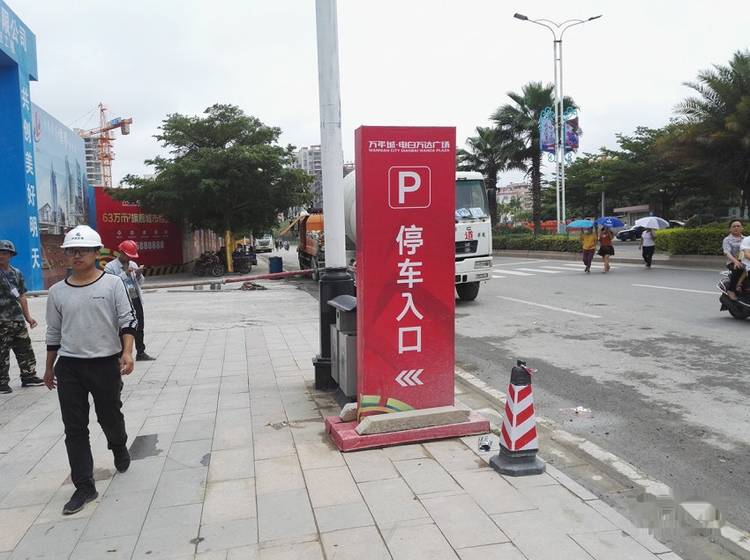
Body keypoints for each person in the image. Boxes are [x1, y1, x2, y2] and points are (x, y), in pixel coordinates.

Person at [44, 225, 137, 515]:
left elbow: (127, 320)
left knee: (109, 416)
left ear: (96, 253)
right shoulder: (57, 292)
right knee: (74, 428)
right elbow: (53, 333)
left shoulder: (112, 284)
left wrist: (127, 352)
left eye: (83, 250)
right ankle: (84, 485)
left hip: (105, 363)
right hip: (69, 367)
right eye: (72, 251)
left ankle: (118, 445)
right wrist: (49, 368)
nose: (77, 255)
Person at [0, 240, 44, 393]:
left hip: (17, 320)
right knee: (2, 353)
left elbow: (22, 296)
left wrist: (28, 317)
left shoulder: (16, 273)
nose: (2, 256)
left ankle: (29, 376)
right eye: (0, 253)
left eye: (5, 253)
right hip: (1, 321)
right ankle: (2, 382)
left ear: (11, 255)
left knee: (25, 349)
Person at [104, 241, 154, 361]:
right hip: (122, 301)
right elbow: (110, 284)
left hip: (135, 298)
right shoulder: (110, 267)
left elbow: (140, 283)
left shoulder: (133, 264)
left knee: (140, 326)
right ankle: (122, 354)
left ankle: (141, 352)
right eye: (128, 255)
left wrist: (139, 275)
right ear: (121, 252)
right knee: (123, 328)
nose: (129, 258)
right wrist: (125, 273)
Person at [723, 220, 746, 300]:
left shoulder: (746, 239)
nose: (736, 227)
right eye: (734, 226)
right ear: (730, 229)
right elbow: (727, 252)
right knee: (738, 267)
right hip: (732, 262)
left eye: (738, 226)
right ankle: (731, 290)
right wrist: (736, 261)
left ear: (742, 228)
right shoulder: (727, 240)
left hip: (746, 261)